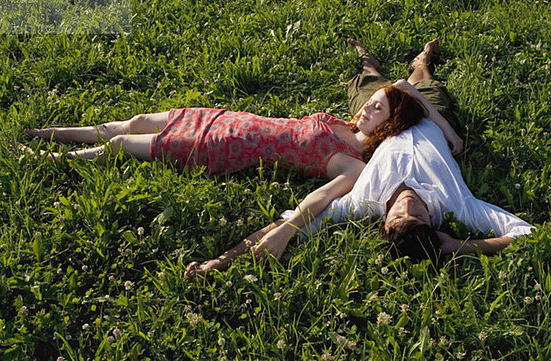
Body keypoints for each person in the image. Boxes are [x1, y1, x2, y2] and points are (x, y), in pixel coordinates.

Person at [22, 38, 462, 271]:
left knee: (120, 146)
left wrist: (284, 231)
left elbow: (316, 202)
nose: (366, 108)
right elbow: (379, 99)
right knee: (134, 121)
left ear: (386, 125)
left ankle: (46, 159)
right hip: (231, 119)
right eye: (370, 103)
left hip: (223, 146)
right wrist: (385, 94)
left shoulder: (354, 165)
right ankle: (52, 132)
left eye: (376, 109)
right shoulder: (348, 125)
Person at [184, 38, 469, 279]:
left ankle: (390, 64)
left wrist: (221, 260)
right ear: (430, 218)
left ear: (384, 223)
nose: (407, 207)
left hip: (387, 119)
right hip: (418, 115)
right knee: (424, 86)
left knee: (370, 82)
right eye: (417, 215)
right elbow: (405, 89)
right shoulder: (452, 200)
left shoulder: (364, 198)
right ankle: (413, 62)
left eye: (400, 216)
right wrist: (449, 131)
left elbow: (291, 222)